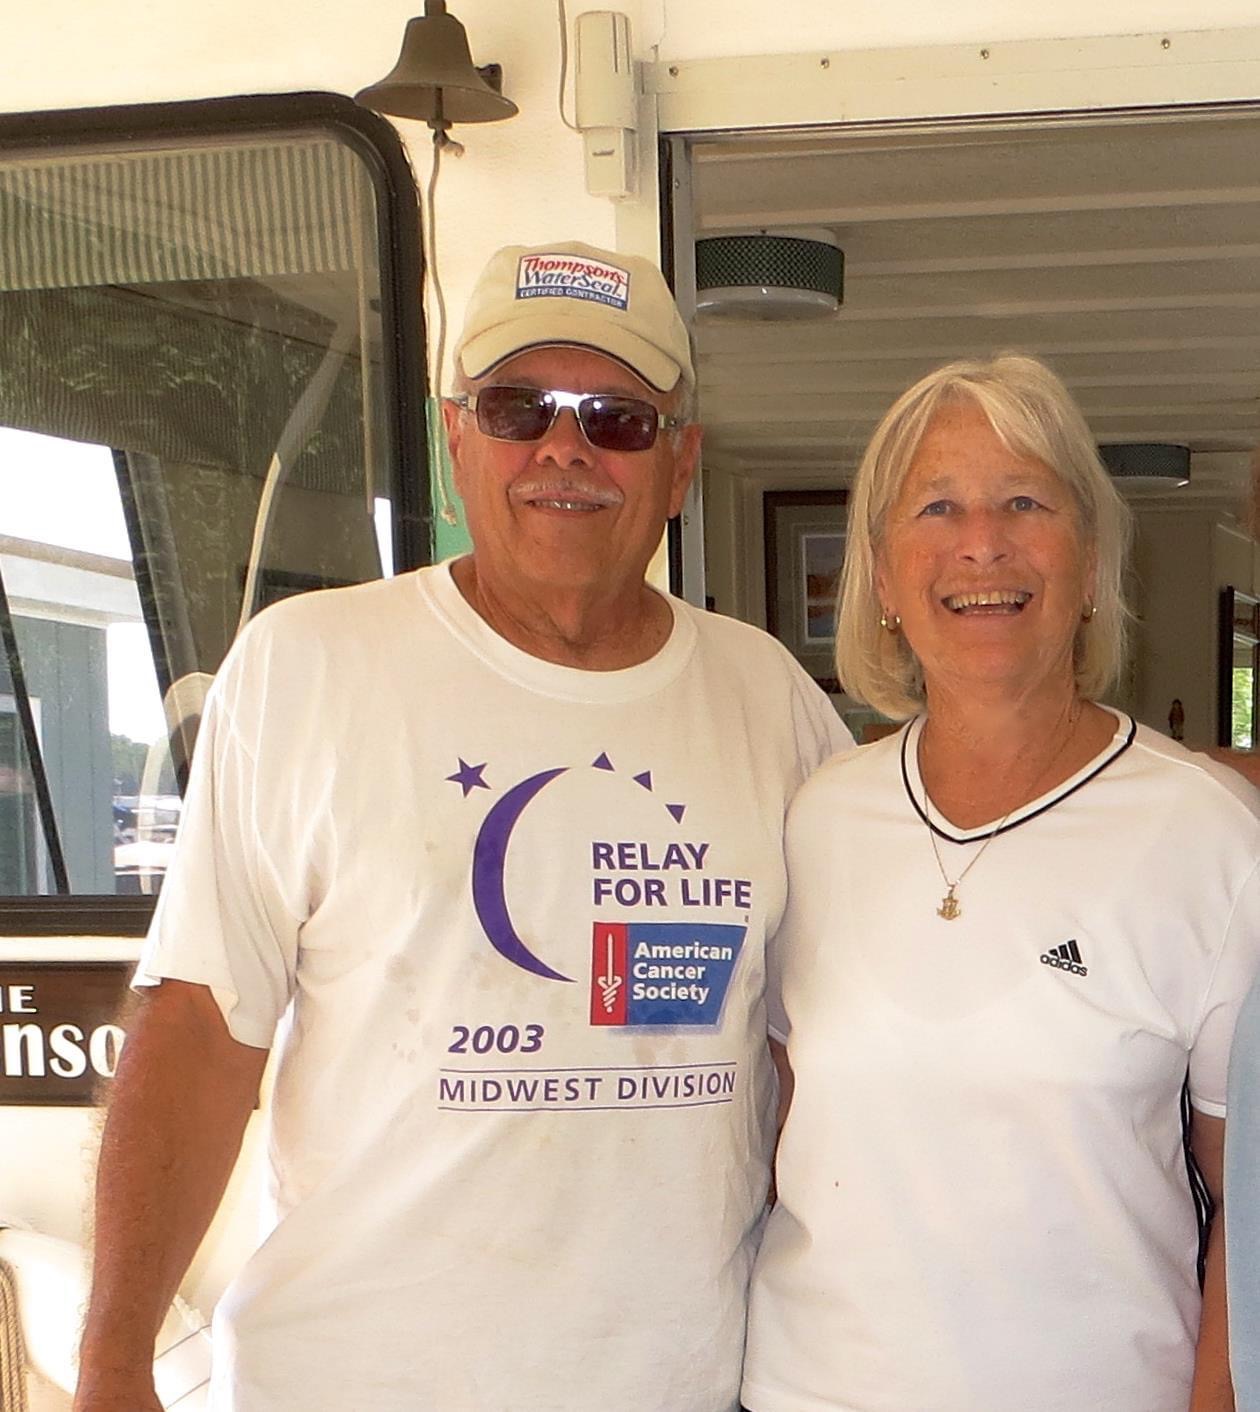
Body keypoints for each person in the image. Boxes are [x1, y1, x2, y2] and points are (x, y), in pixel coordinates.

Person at [71, 239, 851, 1412]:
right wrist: (112, 1364)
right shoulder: (306, 666)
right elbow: (198, 1030)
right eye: (516, 407)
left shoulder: (771, 699)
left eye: (617, 419)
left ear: (680, 464)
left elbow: (822, 1053)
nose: (564, 448)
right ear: (456, 437)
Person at [741, 353, 1260, 1412]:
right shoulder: (815, 818)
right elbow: (777, 1120)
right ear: (884, 576)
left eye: (1026, 501)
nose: (982, 542)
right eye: (937, 505)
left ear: (1090, 563)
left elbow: (1249, 1214)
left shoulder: (1206, 835)